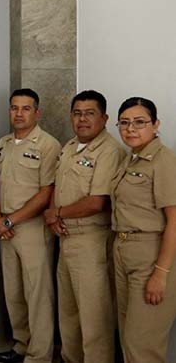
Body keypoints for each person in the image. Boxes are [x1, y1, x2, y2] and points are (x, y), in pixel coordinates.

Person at [44, 90, 122, 363]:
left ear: (104, 118)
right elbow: (60, 187)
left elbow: (98, 202)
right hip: (66, 239)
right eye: (77, 113)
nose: (82, 119)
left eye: (90, 113)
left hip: (91, 241)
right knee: (69, 316)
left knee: (94, 319)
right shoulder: (69, 146)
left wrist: (57, 213)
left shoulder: (109, 151)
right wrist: (56, 218)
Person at [0, 88, 61, 363]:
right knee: (14, 291)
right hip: (5, 227)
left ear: (37, 112)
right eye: (14, 108)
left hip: (31, 228)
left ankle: (39, 355)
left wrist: (11, 219)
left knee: (37, 293)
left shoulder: (47, 145)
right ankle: (22, 345)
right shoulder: (3, 143)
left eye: (25, 108)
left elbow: (46, 193)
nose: (18, 114)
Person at [111, 97, 176, 362]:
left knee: (143, 345)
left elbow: (174, 220)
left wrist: (161, 274)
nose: (131, 129)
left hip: (151, 255)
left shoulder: (163, 160)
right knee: (128, 337)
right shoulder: (130, 160)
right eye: (124, 123)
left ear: (155, 124)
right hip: (123, 250)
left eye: (140, 122)